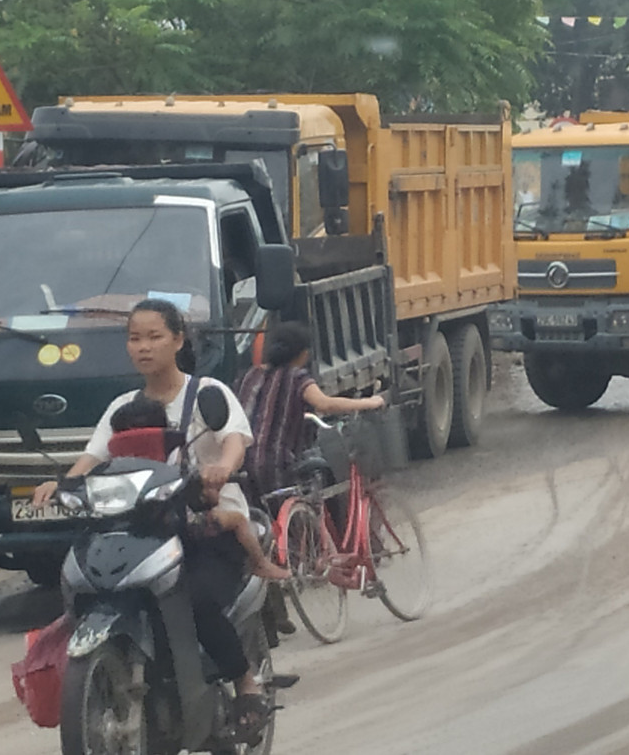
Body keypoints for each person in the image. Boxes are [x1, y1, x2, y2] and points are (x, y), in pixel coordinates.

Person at [31, 298, 278, 737]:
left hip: (206, 526)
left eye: (153, 337)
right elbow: (93, 455)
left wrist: (222, 467)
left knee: (197, 599)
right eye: (133, 338)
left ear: (178, 340)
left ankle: (245, 683)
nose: (142, 347)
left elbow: (234, 439)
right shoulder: (123, 406)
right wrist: (63, 484)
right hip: (143, 529)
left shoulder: (208, 394)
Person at [106, 397, 288, 583]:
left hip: (182, 526)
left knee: (237, 519)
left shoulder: (167, 460)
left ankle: (259, 564)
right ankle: (260, 563)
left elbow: (207, 496)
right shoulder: (166, 456)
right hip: (145, 530)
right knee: (237, 519)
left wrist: (209, 486)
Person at [237, 321, 386, 501]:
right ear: (303, 354)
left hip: (241, 463)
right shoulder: (297, 378)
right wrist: (369, 402)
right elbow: (325, 404)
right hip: (276, 464)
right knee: (318, 478)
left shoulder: (251, 374)